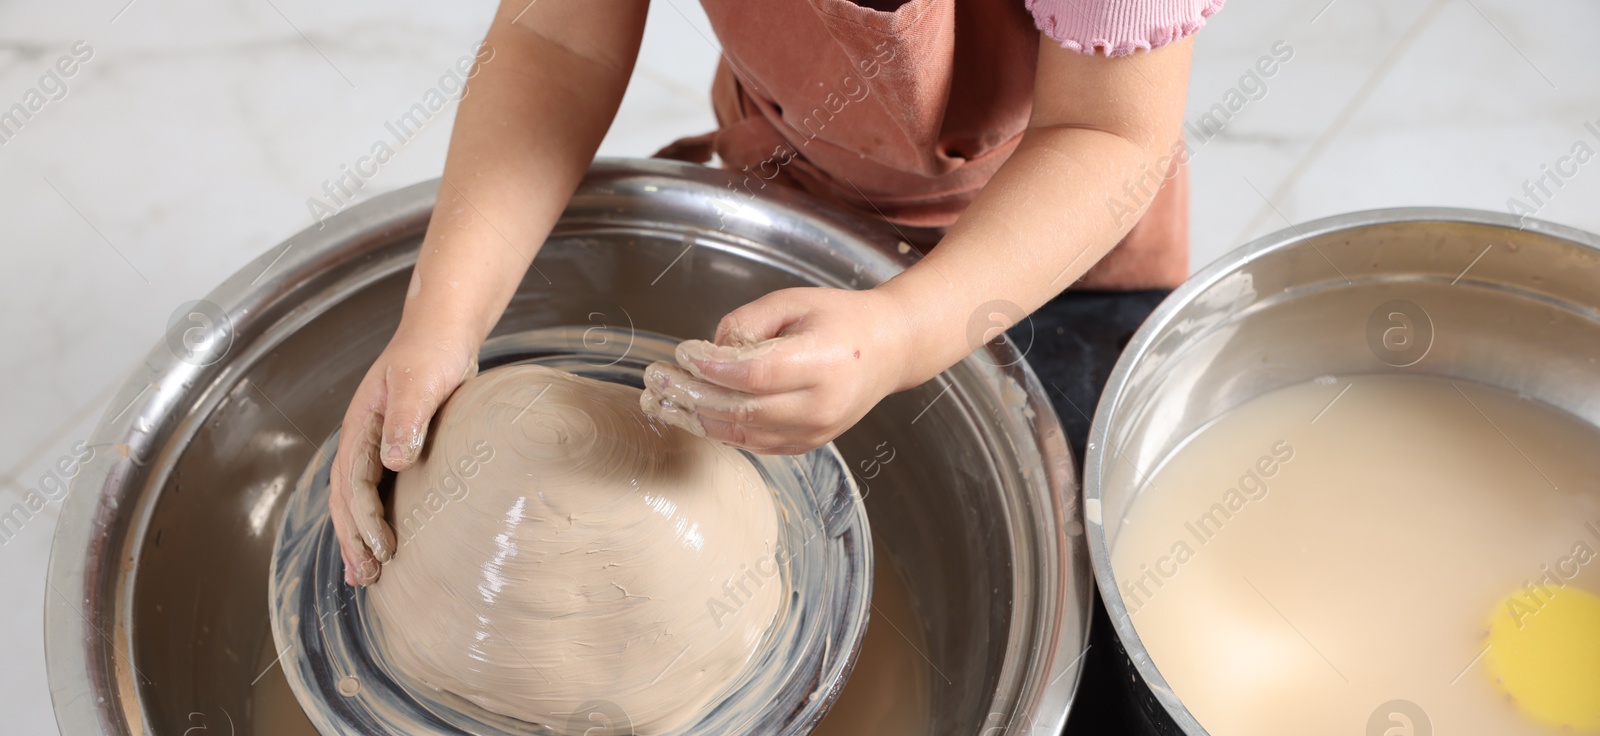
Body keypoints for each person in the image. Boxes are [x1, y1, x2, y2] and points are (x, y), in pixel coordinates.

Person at [332, 0, 1218, 586]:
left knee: (1065, 556)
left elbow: (1108, 131)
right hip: (792, 167)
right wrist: (442, 321)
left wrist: (903, 331)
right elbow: (560, 37)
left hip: (1048, 230)